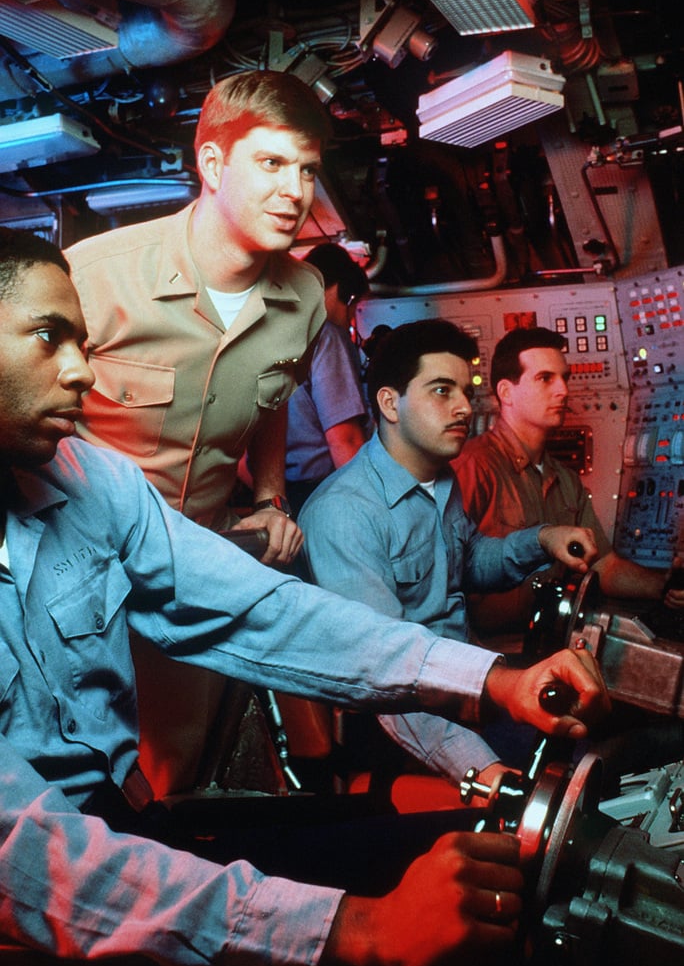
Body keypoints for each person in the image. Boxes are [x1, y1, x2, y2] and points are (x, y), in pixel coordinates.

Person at [0, 230, 610, 966]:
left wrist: (492, 678)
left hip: (131, 826)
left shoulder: (89, 477)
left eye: (84, 342)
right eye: (49, 337)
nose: (82, 373)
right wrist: (358, 931)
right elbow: (28, 852)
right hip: (42, 908)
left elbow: (261, 611)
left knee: (499, 875)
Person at [65, 70, 331, 793]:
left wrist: (272, 498)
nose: (295, 191)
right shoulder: (94, 278)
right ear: (212, 164)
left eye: (307, 169)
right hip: (76, 572)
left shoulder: (305, 297)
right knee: (70, 772)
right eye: (271, 163)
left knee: (172, 776)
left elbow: (272, 398)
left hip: (196, 566)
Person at [299, 320, 601, 794]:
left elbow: (471, 561)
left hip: (461, 689)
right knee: (567, 778)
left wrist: (541, 538)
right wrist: (483, 772)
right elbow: (385, 672)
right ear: (388, 403)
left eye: (465, 390)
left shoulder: (439, 481)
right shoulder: (344, 513)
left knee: (593, 736)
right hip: (399, 724)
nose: (464, 407)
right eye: (442, 391)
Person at [452, 326, 684, 650]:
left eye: (565, 377)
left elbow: (603, 566)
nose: (562, 390)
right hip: (488, 654)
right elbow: (440, 582)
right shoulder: (472, 468)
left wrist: (664, 585)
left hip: (550, 646)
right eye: (545, 378)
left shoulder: (565, 480)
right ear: (506, 392)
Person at [285, 243, 369, 517]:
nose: (351, 317)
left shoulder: (275, 334)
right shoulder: (326, 336)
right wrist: (372, 508)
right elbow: (345, 439)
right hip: (326, 490)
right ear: (341, 290)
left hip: (280, 497)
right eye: (353, 305)